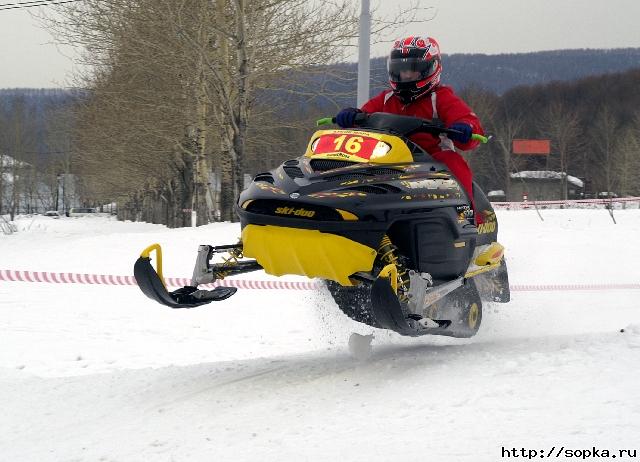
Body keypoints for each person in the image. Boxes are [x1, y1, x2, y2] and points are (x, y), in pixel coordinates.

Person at [335, 35, 485, 221]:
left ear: (431, 68)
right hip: (389, 158)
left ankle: (466, 216)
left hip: (430, 159)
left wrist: (466, 128)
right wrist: (351, 116)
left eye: (413, 70)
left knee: (452, 160)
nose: (406, 75)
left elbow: (467, 119)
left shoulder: (441, 98)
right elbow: (365, 114)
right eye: (401, 70)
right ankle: (346, 209)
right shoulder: (386, 99)